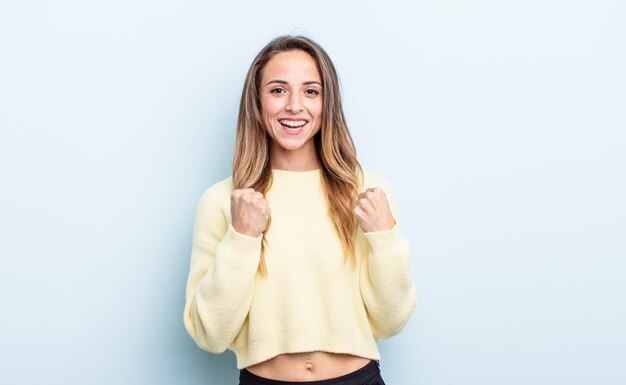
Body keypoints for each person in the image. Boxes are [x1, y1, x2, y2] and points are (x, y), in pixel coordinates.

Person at [183, 35, 417, 385]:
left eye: (311, 91)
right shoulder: (224, 200)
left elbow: (391, 321)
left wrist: (385, 238)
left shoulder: (367, 192)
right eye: (278, 90)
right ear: (257, 101)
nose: (295, 106)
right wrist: (242, 238)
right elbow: (210, 334)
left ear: (328, 102)